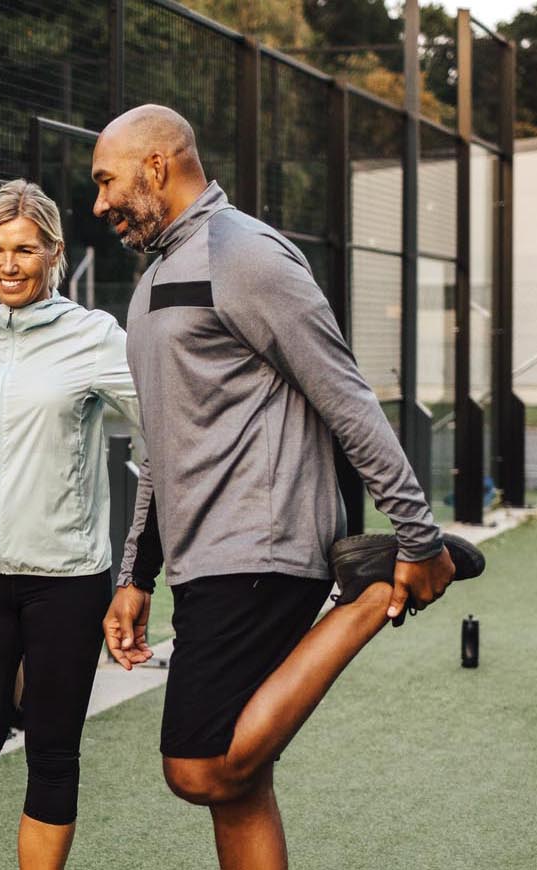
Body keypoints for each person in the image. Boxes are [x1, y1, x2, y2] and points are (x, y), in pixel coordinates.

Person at [93, 105, 457, 869]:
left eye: (105, 180)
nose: (98, 203)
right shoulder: (157, 273)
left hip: (260, 544)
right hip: (203, 555)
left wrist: (417, 538)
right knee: (240, 784)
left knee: (199, 768)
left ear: (155, 164)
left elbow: (346, 397)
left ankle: (365, 598)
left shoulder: (246, 255)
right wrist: (137, 573)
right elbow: (162, 438)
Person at [0, 179, 138, 870]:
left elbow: (157, 430)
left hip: (65, 575)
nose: (9, 264)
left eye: (25, 249)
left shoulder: (94, 336)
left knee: (53, 755)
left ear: (53, 252)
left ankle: (46, 678)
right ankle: (26, 677)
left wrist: (139, 562)